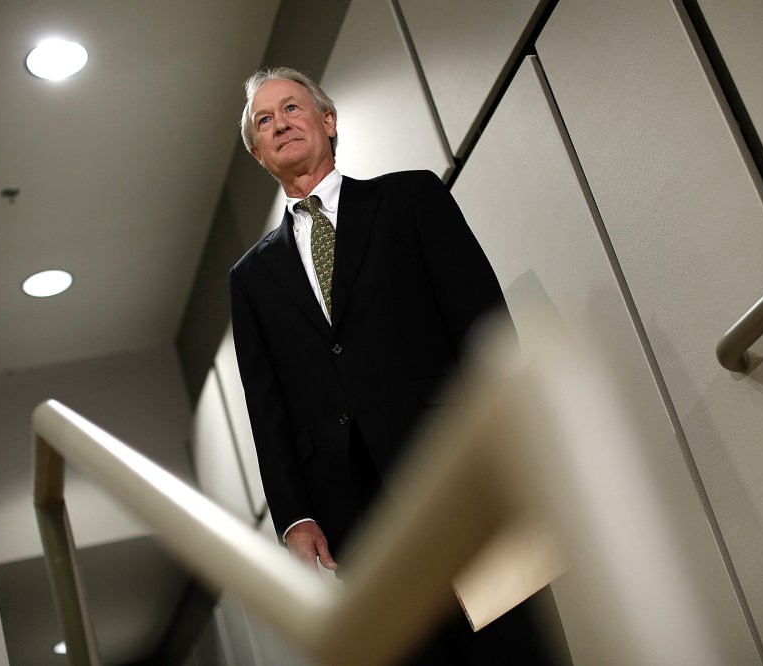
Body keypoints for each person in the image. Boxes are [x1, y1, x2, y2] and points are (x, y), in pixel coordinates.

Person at [229, 66, 566, 665]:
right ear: (258, 154)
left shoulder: (411, 198)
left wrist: (513, 434)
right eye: (264, 120)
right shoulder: (250, 279)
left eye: (292, 108)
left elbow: (480, 321)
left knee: (519, 644)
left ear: (328, 121)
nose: (280, 124)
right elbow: (266, 405)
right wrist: (294, 515)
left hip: (457, 468)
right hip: (354, 511)